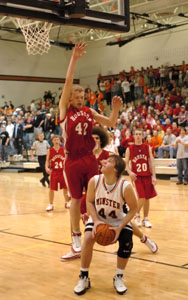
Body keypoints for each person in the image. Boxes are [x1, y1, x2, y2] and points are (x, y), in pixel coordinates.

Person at [59, 42, 122, 260]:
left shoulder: (88, 111)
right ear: (69, 99)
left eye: (82, 96)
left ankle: (97, 227)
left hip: (88, 159)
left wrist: (115, 109)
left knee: (93, 198)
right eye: (76, 96)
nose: (80, 98)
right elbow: (68, 82)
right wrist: (74, 59)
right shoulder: (65, 110)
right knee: (76, 199)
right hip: (72, 161)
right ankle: (75, 236)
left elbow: (112, 121)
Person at [74, 155, 137, 296]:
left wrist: (120, 227)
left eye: (108, 161)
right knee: (88, 238)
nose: (103, 161)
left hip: (117, 220)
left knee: (127, 241)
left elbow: (133, 208)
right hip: (99, 218)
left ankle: (119, 277)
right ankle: (84, 276)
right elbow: (89, 202)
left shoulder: (124, 186)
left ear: (115, 169)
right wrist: (96, 221)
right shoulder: (94, 181)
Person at [125, 128, 157, 228]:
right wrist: (130, 172)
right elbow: (125, 163)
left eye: (140, 134)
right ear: (134, 136)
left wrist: (154, 176)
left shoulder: (147, 147)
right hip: (137, 177)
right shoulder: (129, 149)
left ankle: (145, 218)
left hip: (147, 175)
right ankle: (136, 214)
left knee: (147, 198)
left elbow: (151, 162)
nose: (138, 136)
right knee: (141, 198)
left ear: (142, 136)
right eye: (136, 134)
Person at [45, 135, 70, 212]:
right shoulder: (50, 150)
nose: (56, 141)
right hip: (54, 171)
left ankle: (67, 202)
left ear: (60, 141)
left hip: (62, 171)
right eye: (55, 139)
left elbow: (68, 159)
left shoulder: (63, 149)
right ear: (52, 141)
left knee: (65, 188)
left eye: (58, 139)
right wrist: (46, 167)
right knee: (51, 189)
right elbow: (47, 160)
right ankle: (51, 204)